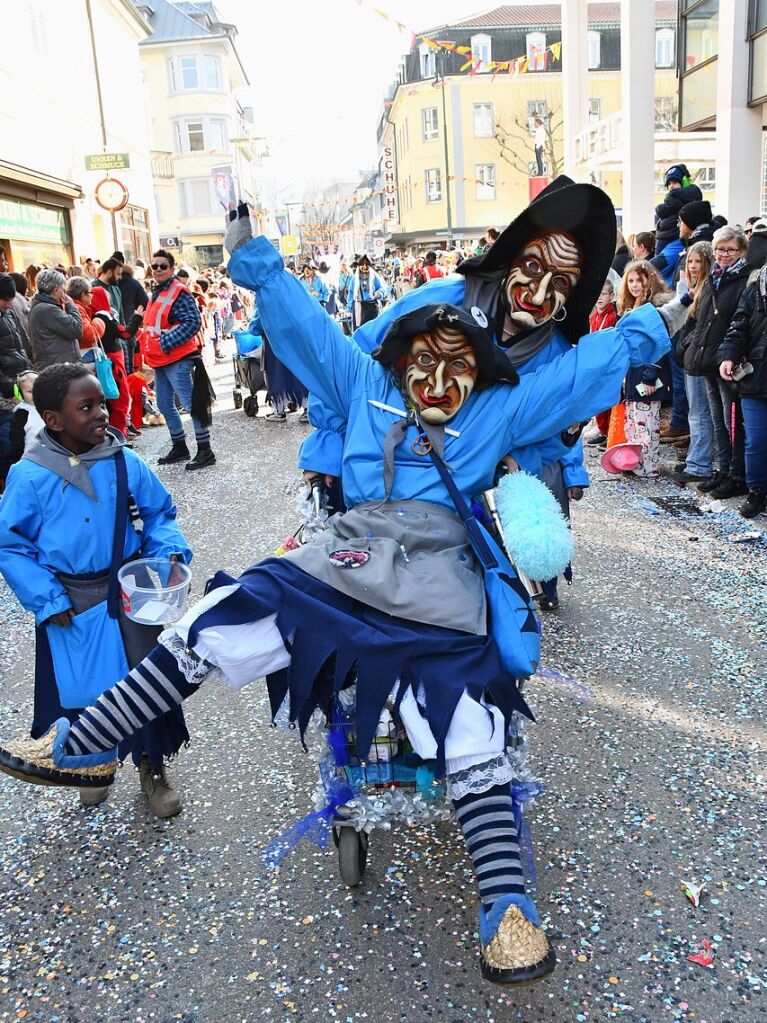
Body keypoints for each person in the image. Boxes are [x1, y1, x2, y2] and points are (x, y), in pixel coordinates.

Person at [0, 213, 672, 986]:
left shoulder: (498, 408)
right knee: (223, 618)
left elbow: (576, 373)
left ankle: (506, 905)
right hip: (345, 556)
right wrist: (260, 268)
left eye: (460, 364)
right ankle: (84, 738)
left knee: (464, 720)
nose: (439, 379)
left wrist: (643, 328)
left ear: (480, 374)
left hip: (438, 578)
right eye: (425, 359)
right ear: (398, 358)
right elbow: (308, 329)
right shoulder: (363, 384)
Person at [0, 363, 192, 815]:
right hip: (68, 601)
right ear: (53, 419)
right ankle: (90, 763)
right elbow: (11, 545)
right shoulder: (29, 477)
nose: (100, 413)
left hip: (129, 594)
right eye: (86, 407)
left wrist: (167, 554)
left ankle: (152, 767)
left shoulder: (125, 460)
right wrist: (46, 597)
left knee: (144, 685)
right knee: (83, 688)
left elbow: (160, 513)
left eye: (101, 403)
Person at [677, 226, 751, 496]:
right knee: (717, 419)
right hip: (706, 358)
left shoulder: (745, 281)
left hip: (728, 361)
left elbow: (739, 322)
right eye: (720, 249)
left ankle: (735, 474)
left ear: (741, 251)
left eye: (730, 250)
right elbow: (700, 318)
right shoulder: (712, 278)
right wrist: (688, 347)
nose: (724, 254)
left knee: (731, 421)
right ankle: (722, 471)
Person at [136, 249, 213, 471]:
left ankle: (205, 450)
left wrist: (165, 342)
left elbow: (192, 321)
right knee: (163, 404)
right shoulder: (157, 291)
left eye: (162, 266)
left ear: (171, 269)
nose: (157, 269)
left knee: (190, 404)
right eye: (154, 266)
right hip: (162, 359)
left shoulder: (177, 291)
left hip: (177, 357)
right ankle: (180, 446)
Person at [718, 218, 767, 518]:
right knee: (756, 440)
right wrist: (728, 355)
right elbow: (738, 327)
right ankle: (757, 490)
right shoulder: (753, 288)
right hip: (755, 376)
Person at [616, 261, 673, 477]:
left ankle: (646, 466)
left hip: (647, 376)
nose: (634, 285)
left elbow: (657, 346)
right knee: (635, 423)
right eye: (630, 281)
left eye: (639, 280)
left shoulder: (653, 310)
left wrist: (649, 376)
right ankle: (636, 463)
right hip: (632, 376)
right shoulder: (632, 309)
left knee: (646, 424)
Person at [672, 241, 715, 483]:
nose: (693, 265)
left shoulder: (707, 288)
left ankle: (699, 464)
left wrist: (686, 345)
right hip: (691, 356)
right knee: (696, 412)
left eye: (698, 261)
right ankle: (695, 460)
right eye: (690, 261)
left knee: (700, 413)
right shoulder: (692, 287)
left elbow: (698, 327)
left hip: (699, 357)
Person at [0, 274, 34, 486]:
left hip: (22, 385)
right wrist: (9, 386)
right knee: (7, 442)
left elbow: (24, 345)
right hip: (6, 394)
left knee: (24, 438)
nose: (9, 302)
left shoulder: (10, 313)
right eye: (4, 298)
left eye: (11, 297)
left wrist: (31, 373)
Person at [28, 269, 83, 370]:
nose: (64, 293)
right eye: (63, 289)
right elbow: (76, 329)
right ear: (56, 290)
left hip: (56, 365)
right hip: (58, 368)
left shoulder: (40, 307)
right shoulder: (48, 310)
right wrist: (71, 305)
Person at [64, 276, 106, 358]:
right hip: (82, 354)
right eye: (91, 292)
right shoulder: (77, 308)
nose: (92, 295)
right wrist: (99, 321)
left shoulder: (74, 306)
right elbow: (90, 335)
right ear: (83, 295)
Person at [118, 265, 149, 374]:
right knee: (129, 366)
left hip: (112, 330)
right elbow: (146, 302)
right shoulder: (134, 283)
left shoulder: (109, 283)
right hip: (129, 325)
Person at [8, 370, 43, 463]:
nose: (35, 394)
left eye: (38, 389)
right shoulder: (21, 414)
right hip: (30, 458)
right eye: (30, 391)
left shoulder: (49, 406)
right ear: (20, 393)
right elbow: (16, 441)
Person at [347, 255, 386, 328]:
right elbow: (351, 293)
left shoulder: (374, 276)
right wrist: (349, 309)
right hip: (360, 307)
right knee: (361, 328)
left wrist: (378, 294)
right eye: (362, 264)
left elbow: (382, 288)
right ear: (359, 266)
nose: (365, 267)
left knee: (373, 328)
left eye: (367, 264)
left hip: (372, 307)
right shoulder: (355, 279)